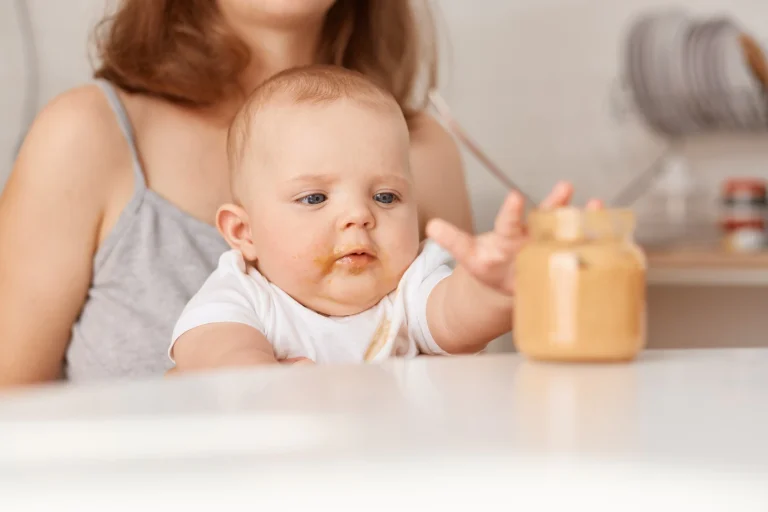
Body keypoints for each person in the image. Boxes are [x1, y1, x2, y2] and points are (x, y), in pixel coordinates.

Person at [0, 0, 590, 387]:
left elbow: (452, 331)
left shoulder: (423, 153)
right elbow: (219, 342)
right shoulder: (86, 136)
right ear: (241, 233)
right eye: (313, 199)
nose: (360, 217)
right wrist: (246, 390)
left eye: (385, 198)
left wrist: (497, 291)